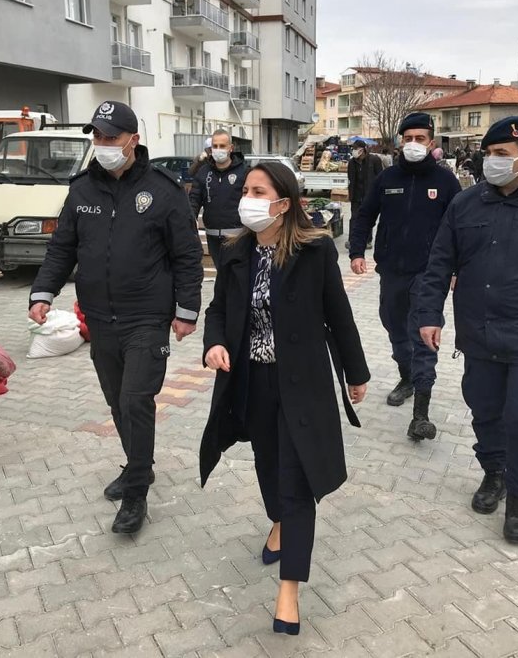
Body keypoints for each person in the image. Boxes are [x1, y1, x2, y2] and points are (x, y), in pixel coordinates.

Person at [200, 162, 370, 635]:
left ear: (284, 203)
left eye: (258, 191)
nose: (247, 199)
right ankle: (277, 520)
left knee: (296, 480)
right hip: (252, 382)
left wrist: (356, 373)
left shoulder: (315, 250)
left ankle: (289, 589)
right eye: (246, 190)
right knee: (268, 466)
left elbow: (338, 314)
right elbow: (218, 310)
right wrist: (214, 343)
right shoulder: (235, 251)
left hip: (303, 384)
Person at [28, 101, 203, 534]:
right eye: (98, 136)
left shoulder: (163, 190)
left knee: (134, 400)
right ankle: (138, 464)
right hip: (99, 317)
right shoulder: (82, 189)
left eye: (111, 137)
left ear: (133, 140)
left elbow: (187, 255)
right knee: (115, 399)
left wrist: (186, 312)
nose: (102, 144)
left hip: (147, 316)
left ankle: (137, 492)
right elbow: (62, 248)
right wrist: (43, 292)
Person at [418, 116, 518, 543]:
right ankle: (494, 473)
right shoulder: (465, 204)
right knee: (486, 411)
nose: (491, 161)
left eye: (501, 154)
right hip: (479, 333)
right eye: (488, 153)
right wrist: (429, 315)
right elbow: (439, 263)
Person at [349, 112, 461, 441]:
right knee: (394, 327)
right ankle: (407, 376)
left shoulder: (446, 182)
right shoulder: (387, 178)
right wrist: (357, 251)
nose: (413, 143)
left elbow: (461, 229)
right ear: (400, 141)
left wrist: (457, 269)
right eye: (408, 138)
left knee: (423, 334)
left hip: (430, 274)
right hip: (392, 270)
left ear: (431, 142)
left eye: (420, 138)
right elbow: (364, 215)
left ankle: (420, 415)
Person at [189, 129, 248, 270]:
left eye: (222, 146)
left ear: (230, 148)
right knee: (221, 274)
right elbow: (194, 200)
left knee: (237, 275)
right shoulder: (203, 172)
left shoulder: (244, 171)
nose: (218, 149)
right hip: (213, 237)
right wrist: (189, 222)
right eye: (215, 146)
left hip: (238, 237)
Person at [346, 140, 383, 250]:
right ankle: (352, 241)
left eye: (355, 149)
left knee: (368, 218)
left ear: (362, 150)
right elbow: (350, 179)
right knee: (354, 218)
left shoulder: (374, 160)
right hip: (356, 195)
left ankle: (367, 240)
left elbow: (380, 177)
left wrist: (379, 194)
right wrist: (350, 194)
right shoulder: (352, 162)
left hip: (370, 195)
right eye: (353, 149)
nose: (353, 151)